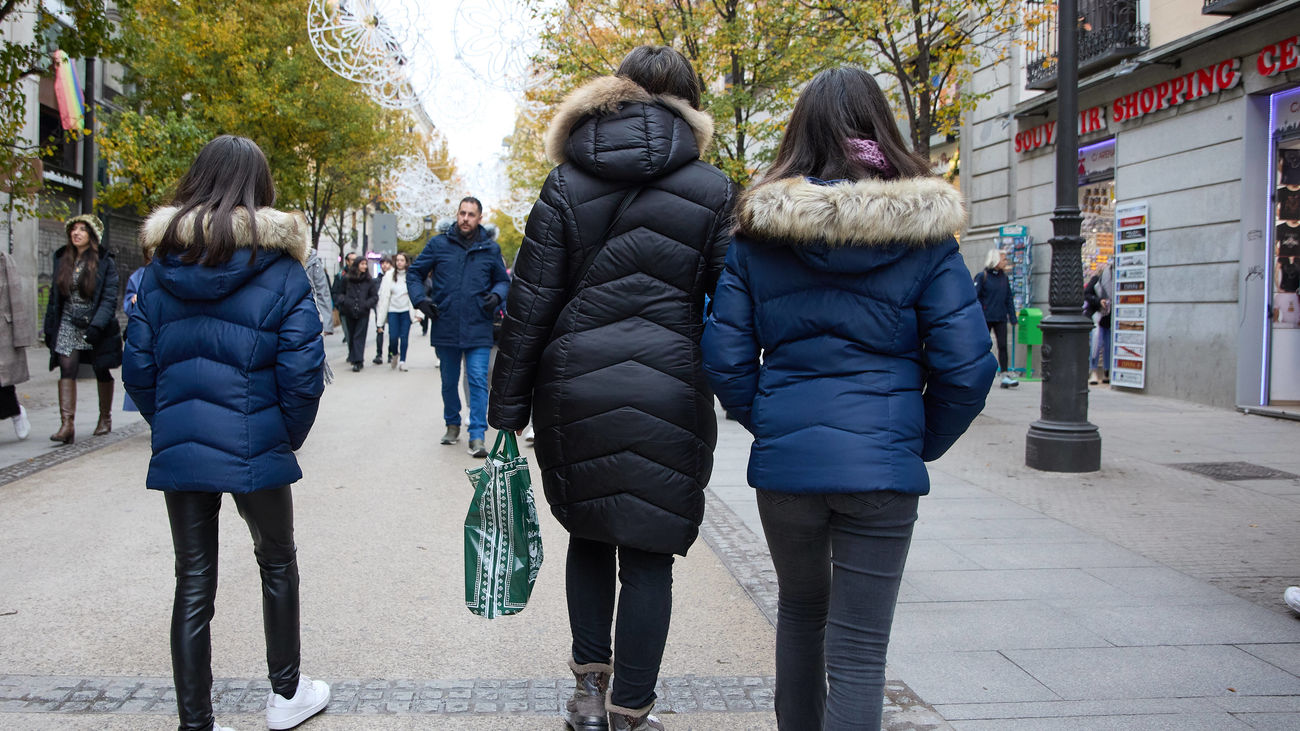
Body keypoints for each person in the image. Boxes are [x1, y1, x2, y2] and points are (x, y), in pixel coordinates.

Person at [701, 67, 996, 730]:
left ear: (798, 134)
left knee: (801, 614)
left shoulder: (757, 233)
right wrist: (913, 442)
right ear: (880, 128)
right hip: (881, 467)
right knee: (860, 650)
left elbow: (724, 357)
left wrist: (775, 420)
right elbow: (969, 368)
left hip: (789, 468)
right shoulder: (923, 234)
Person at [489, 45, 735, 731]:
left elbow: (529, 304)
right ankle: (631, 710)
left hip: (575, 391)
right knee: (651, 557)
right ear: (690, 104)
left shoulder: (566, 182)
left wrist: (504, 409)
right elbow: (734, 310)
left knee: (590, 535)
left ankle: (587, 696)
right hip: (670, 389)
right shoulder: (714, 191)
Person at [121, 135, 329, 731]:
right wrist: (279, 436)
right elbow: (301, 373)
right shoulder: (284, 273)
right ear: (258, 187)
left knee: (192, 578)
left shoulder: (157, 273)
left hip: (183, 442)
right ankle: (286, 696)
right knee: (277, 562)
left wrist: (175, 423)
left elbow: (138, 368)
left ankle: (196, 721)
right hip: (255, 439)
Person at [408, 197, 510, 458]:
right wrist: (420, 300)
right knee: (448, 381)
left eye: (471, 214)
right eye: (462, 213)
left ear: (479, 218)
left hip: (479, 325)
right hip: (446, 324)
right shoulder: (438, 244)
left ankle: (477, 435)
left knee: (478, 379)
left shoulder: (490, 248)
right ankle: (452, 424)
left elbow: (503, 280)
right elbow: (414, 273)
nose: (465, 218)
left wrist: (497, 296)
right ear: (457, 215)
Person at [43, 213, 123, 444]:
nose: (76, 233)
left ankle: (105, 418)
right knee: (67, 369)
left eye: (82, 229)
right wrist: (50, 328)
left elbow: (109, 298)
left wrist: (97, 325)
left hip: (95, 321)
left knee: (101, 369)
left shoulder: (105, 261)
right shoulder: (63, 258)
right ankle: (67, 424)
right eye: (74, 229)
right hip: (68, 321)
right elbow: (54, 298)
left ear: (92, 235)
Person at [0, 249, 34, 439]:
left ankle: (16, 413)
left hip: (2, 330)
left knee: (3, 382)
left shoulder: (3, 260)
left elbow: (15, 296)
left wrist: (20, 334)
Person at [974, 249, 1019, 388]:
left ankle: (1005, 375)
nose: (1006, 262)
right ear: (996, 260)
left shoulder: (1004, 278)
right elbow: (974, 297)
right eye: (1004, 259)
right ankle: (977, 373)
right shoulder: (983, 276)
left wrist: (1012, 317)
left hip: (1000, 317)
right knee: (982, 346)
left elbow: (1008, 299)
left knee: (1003, 346)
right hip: (985, 318)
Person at [337, 256, 378, 372]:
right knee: (351, 335)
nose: (365, 266)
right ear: (357, 265)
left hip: (363, 312)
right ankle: (353, 357)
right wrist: (345, 302)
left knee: (359, 336)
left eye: (366, 264)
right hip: (349, 311)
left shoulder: (369, 281)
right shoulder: (347, 279)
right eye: (362, 264)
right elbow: (340, 293)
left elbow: (374, 296)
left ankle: (358, 360)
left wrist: (366, 304)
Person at [377, 251, 413, 371]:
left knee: (404, 337)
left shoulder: (411, 275)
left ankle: (403, 361)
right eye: (397, 260)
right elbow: (383, 296)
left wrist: (418, 314)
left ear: (406, 262)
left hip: (406, 311)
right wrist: (380, 322)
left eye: (402, 260)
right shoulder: (389, 276)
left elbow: (417, 294)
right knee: (393, 337)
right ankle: (394, 354)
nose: (399, 262)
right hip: (393, 311)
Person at [1084, 261, 1113, 385]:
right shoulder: (1097, 279)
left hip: (1109, 318)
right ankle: (1093, 371)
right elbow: (1087, 294)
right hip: (1097, 316)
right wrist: (1099, 300)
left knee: (1109, 346)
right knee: (1097, 343)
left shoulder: (1116, 282)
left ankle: (1107, 371)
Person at [332, 251, 357, 344]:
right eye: (352, 260)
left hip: (358, 309)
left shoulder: (362, 274)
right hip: (345, 309)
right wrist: (339, 304)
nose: (355, 262)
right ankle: (352, 354)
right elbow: (335, 291)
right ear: (347, 261)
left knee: (356, 334)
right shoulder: (341, 275)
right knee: (348, 333)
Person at [372, 255, 392, 365]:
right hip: (379, 309)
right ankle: (379, 354)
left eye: (387, 263)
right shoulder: (376, 280)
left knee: (392, 333)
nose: (385, 265)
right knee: (380, 331)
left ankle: (391, 353)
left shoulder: (393, 278)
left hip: (391, 308)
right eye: (383, 263)